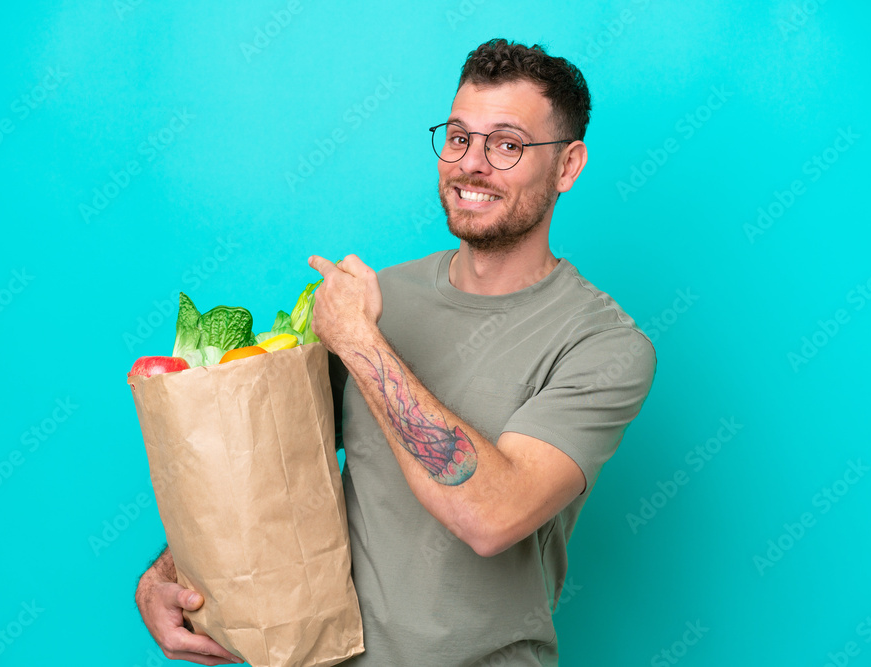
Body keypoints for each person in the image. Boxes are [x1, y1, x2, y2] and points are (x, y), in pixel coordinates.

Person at [135, 38, 657, 665]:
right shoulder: (386, 297)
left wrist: (358, 341)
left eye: (508, 144)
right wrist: (170, 569)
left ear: (568, 167)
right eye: (459, 137)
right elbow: (273, 460)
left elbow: (491, 515)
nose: (471, 164)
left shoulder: (603, 345)